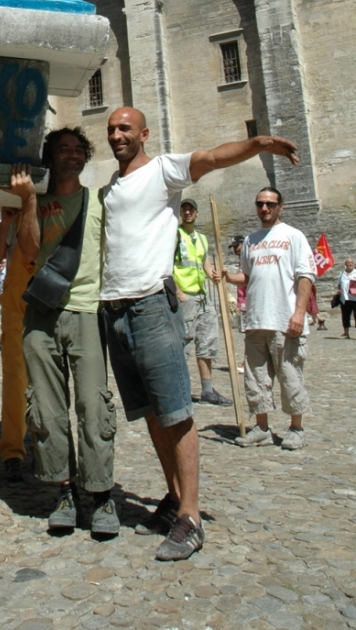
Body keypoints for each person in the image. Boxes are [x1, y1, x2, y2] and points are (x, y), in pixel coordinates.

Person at [101, 106, 298, 561]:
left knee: (175, 411)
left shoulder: (165, 170)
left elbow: (211, 157)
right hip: (114, 310)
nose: (117, 135)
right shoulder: (111, 185)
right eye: (111, 129)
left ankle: (190, 517)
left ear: (144, 134)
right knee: (150, 412)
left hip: (151, 303)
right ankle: (172, 497)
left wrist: (259, 144)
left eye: (125, 128)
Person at [5, 128, 119, 537]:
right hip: (42, 313)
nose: (71, 156)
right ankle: (63, 490)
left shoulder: (100, 202)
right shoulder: (32, 202)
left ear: (85, 158)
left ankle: (101, 492)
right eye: (62, 150)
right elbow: (31, 252)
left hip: (86, 310)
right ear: (49, 158)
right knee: (47, 409)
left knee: (93, 405)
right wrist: (29, 200)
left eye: (77, 150)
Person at [225, 187, 316, 451]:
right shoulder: (251, 240)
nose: (264, 208)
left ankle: (296, 428)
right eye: (260, 204)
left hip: (284, 319)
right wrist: (226, 276)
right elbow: (247, 276)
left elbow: (305, 276)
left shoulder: (293, 236)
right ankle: (262, 428)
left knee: (290, 376)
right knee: (255, 378)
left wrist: (299, 313)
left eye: (270, 204)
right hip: (255, 319)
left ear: (280, 207)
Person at [0, 220, 35, 483]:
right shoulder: (11, 219)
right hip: (16, 312)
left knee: (46, 383)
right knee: (15, 384)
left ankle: (44, 447)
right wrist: (5, 222)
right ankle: (13, 454)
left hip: (46, 304)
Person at [173, 200, 230, 406]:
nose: (187, 212)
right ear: (180, 213)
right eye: (184, 209)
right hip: (185, 296)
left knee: (207, 340)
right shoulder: (175, 235)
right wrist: (179, 293)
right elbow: (167, 264)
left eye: (191, 210)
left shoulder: (201, 238)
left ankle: (207, 390)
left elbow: (203, 260)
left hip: (203, 295)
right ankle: (178, 389)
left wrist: (212, 274)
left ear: (196, 214)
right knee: (184, 342)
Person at [337, 257, 356, 338]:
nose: (350, 264)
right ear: (345, 264)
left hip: (355, 298)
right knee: (345, 316)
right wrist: (339, 291)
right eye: (348, 262)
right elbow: (338, 284)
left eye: (351, 262)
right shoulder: (342, 273)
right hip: (344, 298)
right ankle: (346, 333)